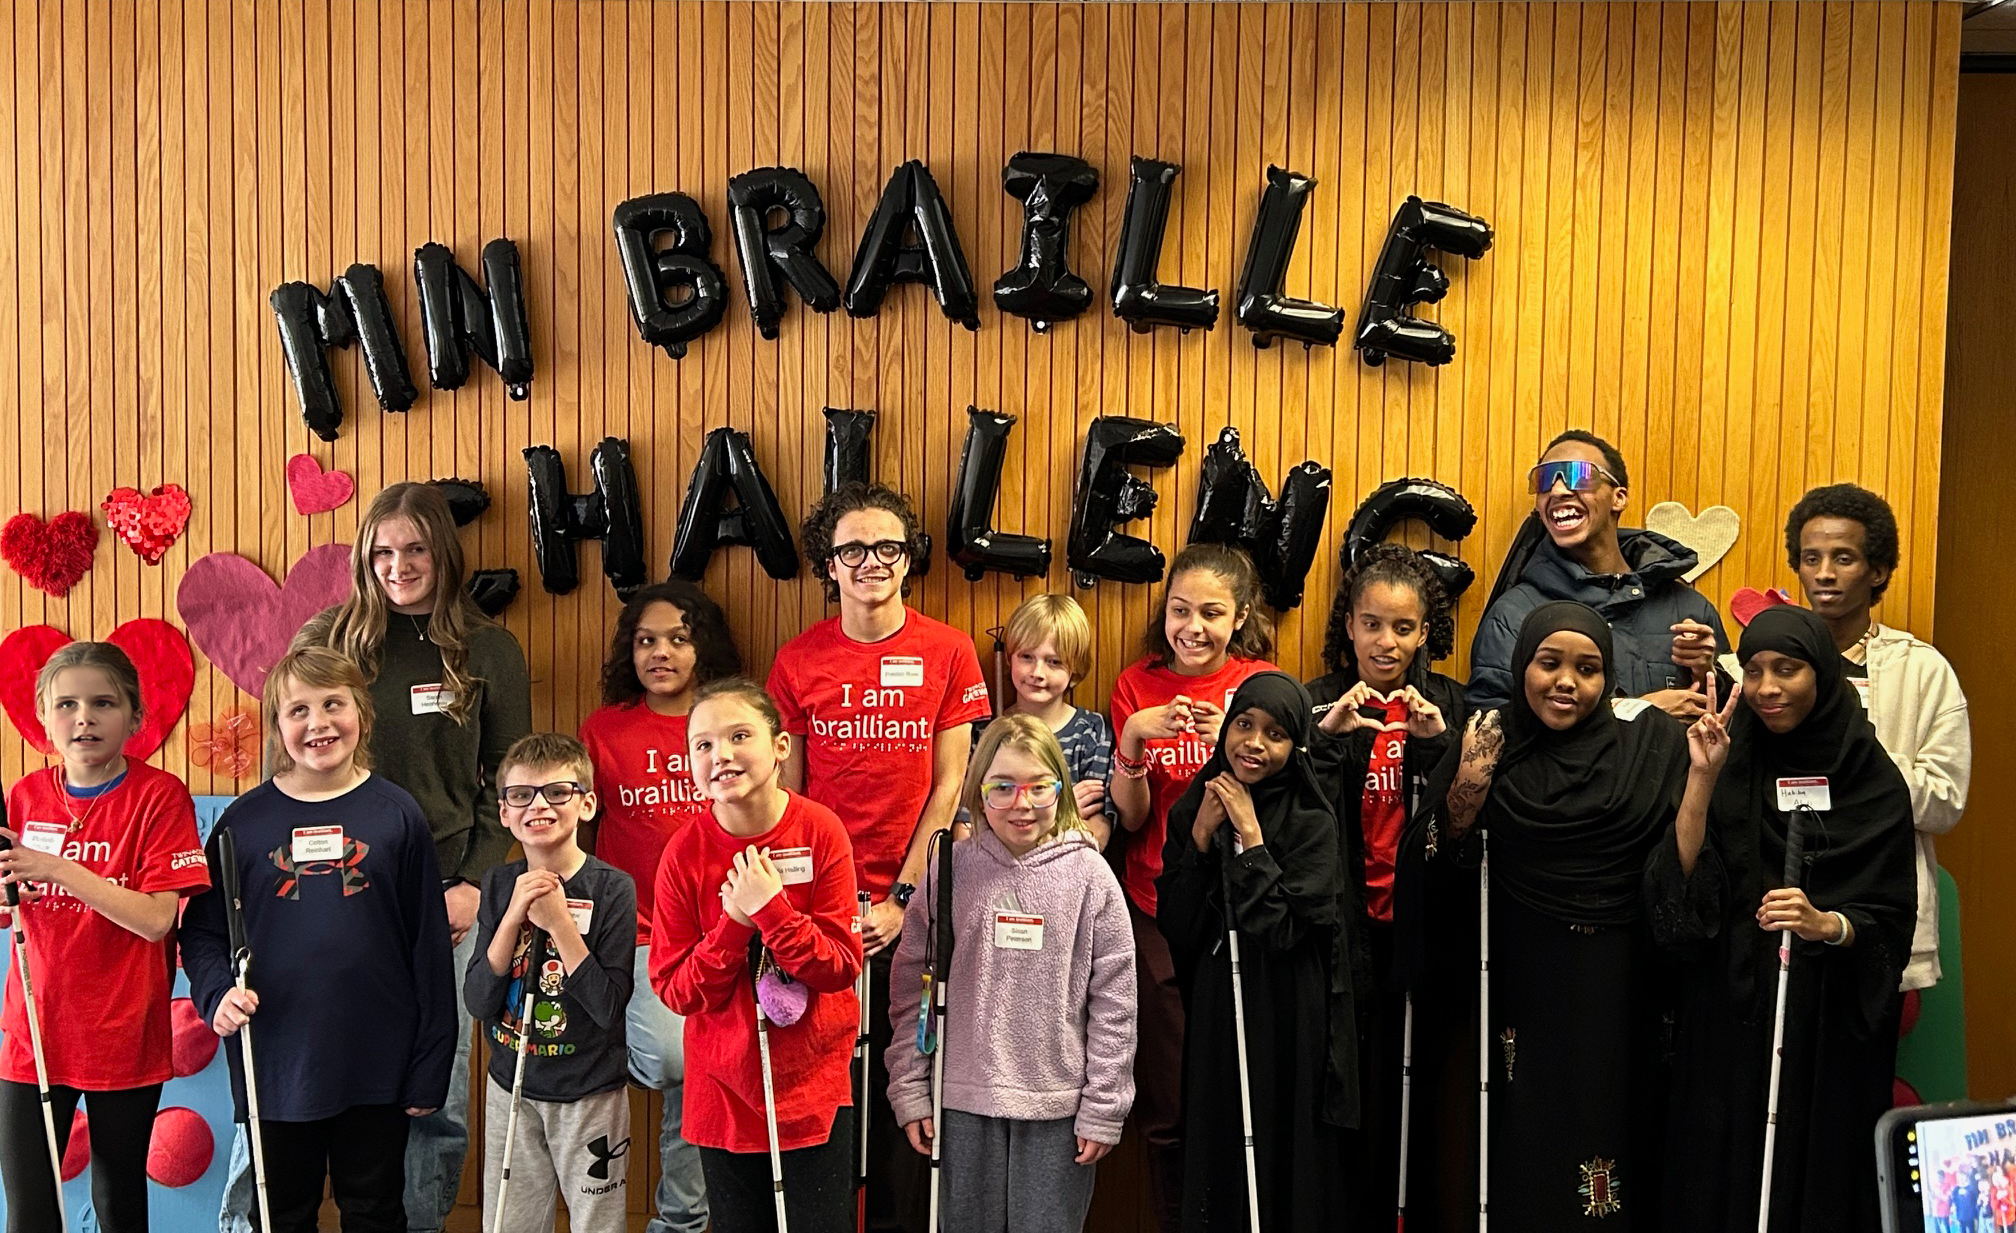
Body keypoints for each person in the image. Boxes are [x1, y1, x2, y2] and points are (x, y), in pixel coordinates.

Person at [291, 480, 532, 1233]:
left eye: (416, 548)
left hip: (447, 898)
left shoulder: (489, 646)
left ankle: (420, 1223)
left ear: (444, 552)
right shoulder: (334, 637)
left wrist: (473, 886)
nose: (399, 565)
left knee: (436, 1089)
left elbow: (511, 778)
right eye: (383, 550)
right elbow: (293, 754)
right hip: (336, 888)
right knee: (297, 1071)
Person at [1443, 601, 1714, 1230]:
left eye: (1588, 668)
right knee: (1531, 1131)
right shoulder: (1490, 741)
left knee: (1617, 1123)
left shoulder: (1650, 747)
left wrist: (1702, 779)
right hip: (1526, 982)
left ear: (1609, 677)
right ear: (1522, 665)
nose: (1567, 681)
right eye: (1550, 663)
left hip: (1624, 984)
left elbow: (1683, 872)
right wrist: (1470, 785)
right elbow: (1441, 855)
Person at [765, 481, 989, 1231]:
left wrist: (900, 898)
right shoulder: (797, 660)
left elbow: (952, 783)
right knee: (829, 1087)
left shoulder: (948, 649)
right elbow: (788, 799)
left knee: (908, 1085)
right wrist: (825, 909)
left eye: (887, 547)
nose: (871, 562)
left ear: (908, 557)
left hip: (916, 905)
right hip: (825, 911)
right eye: (852, 549)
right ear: (828, 564)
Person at [1657, 605, 1916, 1232]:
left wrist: (1829, 924)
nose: (1767, 688)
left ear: (1823, 674)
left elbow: (1889, 917)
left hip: (1825, 1023)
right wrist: (1700, 779)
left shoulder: (1869, 775)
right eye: (1753, 670)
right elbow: (1679, 892)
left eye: (1787, 669)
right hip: (1730, 1011)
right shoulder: (1729, 753)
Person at [182, 646, 457, 1233]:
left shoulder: (397, 814)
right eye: (298, 710)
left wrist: (431, 1062)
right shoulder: (243, 824)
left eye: (333, 703)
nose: (318, 723)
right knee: (281, 1212)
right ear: (278, 728)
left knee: (375, 1208)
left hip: (377, 1060)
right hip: (276, 1061)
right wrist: (214, 996)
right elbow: (202, 931)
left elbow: (429, 950)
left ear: (362, 710)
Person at [885, 715, 1136, 1233]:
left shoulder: (1091, 875)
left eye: (1038, 787)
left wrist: (1103, 1105)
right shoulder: (950, 870)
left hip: (1058, 1106)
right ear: (978, 790)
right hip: (961, 1100)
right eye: (1002, 787)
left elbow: (1116, 1002)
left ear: (1060, 789)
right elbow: (914, 985)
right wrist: (910, 1086)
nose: (1022, 804)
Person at [0, 643, 210, 1233]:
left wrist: (60, 869)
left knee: (119, 1200)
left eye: (102, 703)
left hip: (122, 1033)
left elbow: (155, 919)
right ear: (43, 716)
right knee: (30, 1209)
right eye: (66, 704)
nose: (83, 717)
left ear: (136, 718)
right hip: (33, 1036)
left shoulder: (159, 795)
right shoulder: (23, 796)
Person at [1107, 542, 1278, 1233]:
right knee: (1169, 1101)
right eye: (1181, 610)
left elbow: (1275, 806)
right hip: (1152, 910)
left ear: (1238, 617)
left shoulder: (1260, 682)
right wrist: (1134, 742)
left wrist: (1234, 742)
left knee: (1241, 1091)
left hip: (1236, 907)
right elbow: (1132, 817)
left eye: (1211, 612)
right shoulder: (1136, 685)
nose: (1193, 627)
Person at [652, 678, 864, 1233]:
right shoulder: (683, 853)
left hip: (812, 1089)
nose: (720, 755)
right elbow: (676, 989)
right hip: (725, 1096)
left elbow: (841, 965)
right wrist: (734, 925)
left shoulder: (821, 831)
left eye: (738, 735)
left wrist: (773, 912)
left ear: (781, 747)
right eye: (702, 744)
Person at [1155, 672, 1358, 1232]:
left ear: (1296, 747)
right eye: (1243, 725)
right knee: (1220, 1130)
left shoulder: (1313, 822)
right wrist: (1199, 839)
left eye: (1275, 734)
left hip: (1289, 1001)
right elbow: (1178, 923)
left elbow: (1285, 930)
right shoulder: (1196, 808)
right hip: (1221, 999)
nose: (1254, 744)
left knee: (1281, 1135)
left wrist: (1250, 836)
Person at [1304, 543, 1469, 1230]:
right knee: (1342, 1093)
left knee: (1420, 1092)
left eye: (1403, 627)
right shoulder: (1316, 701)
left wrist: (1439, 745)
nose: (1386, 641)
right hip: (1340, 931)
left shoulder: (1449, 703)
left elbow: (1470, 815)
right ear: (1349, 624)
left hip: (1421, 929)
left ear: (1425, 630)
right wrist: (1326, 738)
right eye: (1372, 623)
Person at [580, 580, 743, 1233]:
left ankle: (681, 1218)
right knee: (679, 1059)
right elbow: (582, 841)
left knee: (701, 1065)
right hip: (638, 937)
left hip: (723, 933)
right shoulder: (605, 728)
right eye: (646, 639)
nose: (661, 652)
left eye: (678, 637)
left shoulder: (728, 720)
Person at [1782, 482, 1970, 993]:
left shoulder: (1923, 670)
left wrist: (1859, 768)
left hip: (1882, 907)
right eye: (1811, 558)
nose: (1823, 573)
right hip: (1783, 906)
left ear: (1878, 570)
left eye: (1843, 558)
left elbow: (1945, 803)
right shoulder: (1767, 669)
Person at [465, 733, 636, 1233]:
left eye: (557, 792)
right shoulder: (498, 884)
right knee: (509, 1222)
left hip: (589, 1094)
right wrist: (514, 916)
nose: (538, 805)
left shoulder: (613, 888)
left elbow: (608, 1008)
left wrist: (560, 924)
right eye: (521, 795)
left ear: (585, 805)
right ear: (503, 812)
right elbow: (479, 1000)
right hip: (512, 1092)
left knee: (596, 1223)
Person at [1466, 430, 1731, 719]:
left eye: (1578, 475)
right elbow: (1489, 729)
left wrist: (1710, 673)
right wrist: (1636, 712)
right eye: (1543, 481)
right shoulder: (1514, 615)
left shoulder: (1690, 608)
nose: (1557, 491)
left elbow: (1736, 727)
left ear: (1618, 498)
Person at [969, 594, 1117, 848]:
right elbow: (968, 828)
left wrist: (1009, 824)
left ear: (1075, 671)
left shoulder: (1092, 732)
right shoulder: (984, 734)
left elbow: (1097, 832)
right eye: (1026, 657)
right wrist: (1065, 813)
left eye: (1054, 662)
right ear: (1009, 659)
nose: (1037, 673)